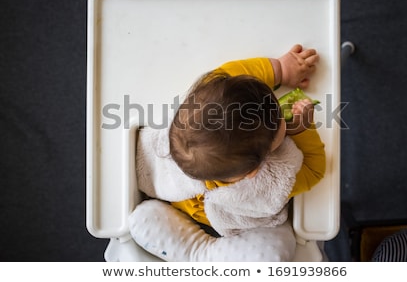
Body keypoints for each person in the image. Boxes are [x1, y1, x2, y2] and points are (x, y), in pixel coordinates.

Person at [129, 44, 326, 261]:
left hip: (176, 204)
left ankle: (189, 248)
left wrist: (280, 69)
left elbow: (230, 75)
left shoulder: (198, 112)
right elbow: (314, 169)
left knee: (142, 217)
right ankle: (199, 255)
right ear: (254, 170)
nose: (278, 111)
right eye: (278, 123)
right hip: (231, 220)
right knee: (276, 248)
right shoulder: (270, 182)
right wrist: (302, 129)